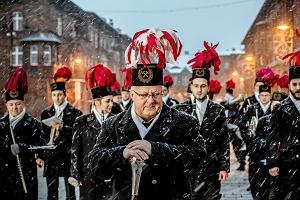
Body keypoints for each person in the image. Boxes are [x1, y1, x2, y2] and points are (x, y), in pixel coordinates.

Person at [89, 28, 206, 200]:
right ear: (132, 94)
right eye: (143, 95)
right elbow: (95, 164)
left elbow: (197, 159)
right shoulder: (113, 124)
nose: (151, 100)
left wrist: (156, 149)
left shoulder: (184, 122)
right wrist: (122, 153)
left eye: (156, 94)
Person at [175, 41, 230, 200]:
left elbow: (223, 139)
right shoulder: (180, 109)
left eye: (203, 86)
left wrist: (224, 167)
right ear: (191, 87)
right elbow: (175, 140)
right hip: (187, 169)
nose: (199, 90)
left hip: (211, 168)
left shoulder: (217, 110)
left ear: (208, 87)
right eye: (196, 86)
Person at [69, 64, 114, 200]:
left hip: (110, 176)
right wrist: (75, 174)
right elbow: (75, 150)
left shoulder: (116, 121)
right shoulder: (82, 121)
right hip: (88, 176)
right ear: (97, 101)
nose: (111, 104)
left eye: (112, 101)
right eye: (108, 101)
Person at [0, 67, 46, 199]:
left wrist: (22, 147)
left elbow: (40, 147)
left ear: (23, 103)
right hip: (4, 178)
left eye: (18, 104)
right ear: (7, 105)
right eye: (11, 104)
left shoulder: (34, 124)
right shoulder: (1, 124)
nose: (14, 108)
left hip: (26, 177)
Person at [41, 66, 82, 200]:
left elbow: (78, 134)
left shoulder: (75, 113)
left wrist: (63, 128)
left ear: (65, 94)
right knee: (51, 190)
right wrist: (40, 155)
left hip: (67, 154)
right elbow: (42, 135)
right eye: (54, 95)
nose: (57, 98)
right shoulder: (46, 113)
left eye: (59, 94)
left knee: (70, 191)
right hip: (51, 155)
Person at [267, 45, 300, 199]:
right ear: (289, 85)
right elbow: (273, 137)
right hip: (288, 162)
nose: (298, 87)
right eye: (295, 84)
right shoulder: (280, 108)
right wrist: (273, 162)